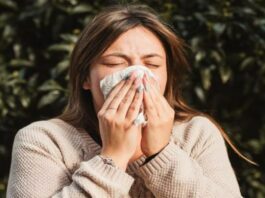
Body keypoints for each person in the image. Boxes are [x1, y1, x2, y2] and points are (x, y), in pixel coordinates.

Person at [7, 4, 249, 198]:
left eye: (152, 64)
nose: (136, 75)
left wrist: (161, 154)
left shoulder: (197, 134)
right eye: (114, 63)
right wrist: (112, 158)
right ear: (85, 77)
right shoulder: (43, 141)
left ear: (167, 76)